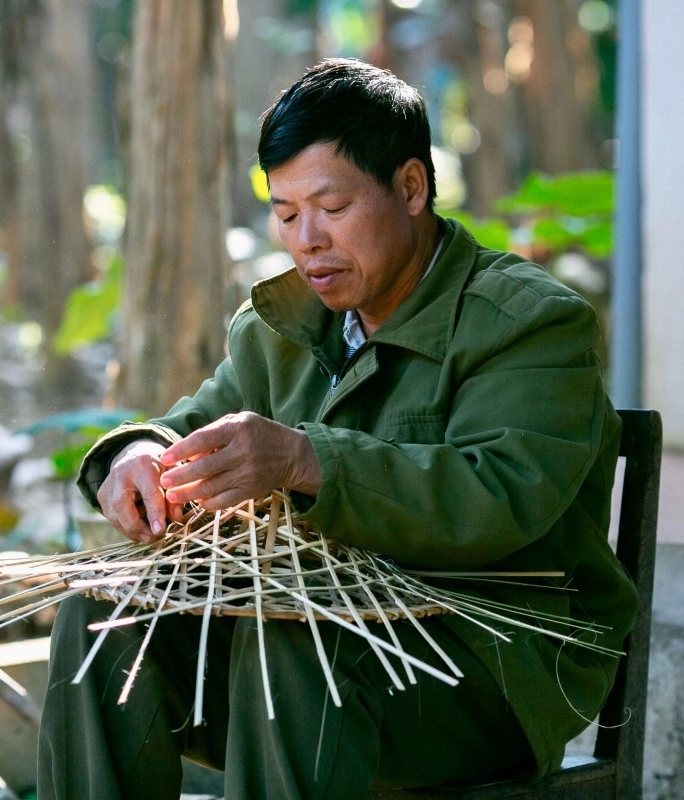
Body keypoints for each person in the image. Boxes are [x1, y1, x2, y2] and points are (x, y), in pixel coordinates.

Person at [39, 58, 637, 800]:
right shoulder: (281, 328)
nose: (307, 240)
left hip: (488, 672)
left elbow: (498, 497)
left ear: (411, 187)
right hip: (306, 661)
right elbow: (192, 427)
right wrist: (139, 454)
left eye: (331, 206)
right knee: (101, 620)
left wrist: (305, 460)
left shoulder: (527, 323)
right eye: (286, 214)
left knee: (297, 634)